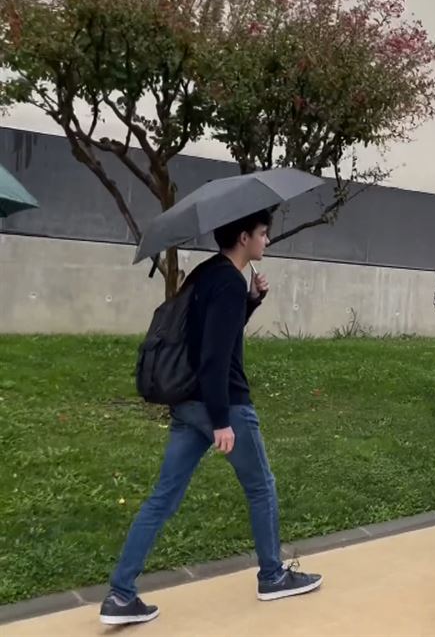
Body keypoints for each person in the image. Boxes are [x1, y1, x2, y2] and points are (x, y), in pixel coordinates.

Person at [100, 210, 321, 626]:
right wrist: (222, 420)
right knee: (261, 487)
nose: (267, 241)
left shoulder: (207, 274)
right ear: (243, 237)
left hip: (187, 405)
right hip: (223, 405)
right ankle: (273, 576)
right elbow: (216, 357)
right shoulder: (226, 283)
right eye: (262, 233)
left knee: (162, 498)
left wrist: (251, 300)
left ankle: (120, 594)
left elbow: (216, 336)